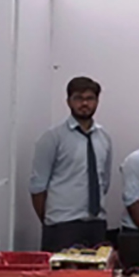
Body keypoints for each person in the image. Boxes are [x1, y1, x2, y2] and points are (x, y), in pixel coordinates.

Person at [30, 77, 112, 252]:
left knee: (95, 270)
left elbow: (104, 183)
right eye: (78, 98)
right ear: (68, 101)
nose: (84, 103)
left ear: (97, 101)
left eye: (90, 98)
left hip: (96, 224)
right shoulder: (53, 137)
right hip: (62, 225)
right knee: (60, 271)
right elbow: (38, 187)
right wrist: (50, 220)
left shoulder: (104, 138)